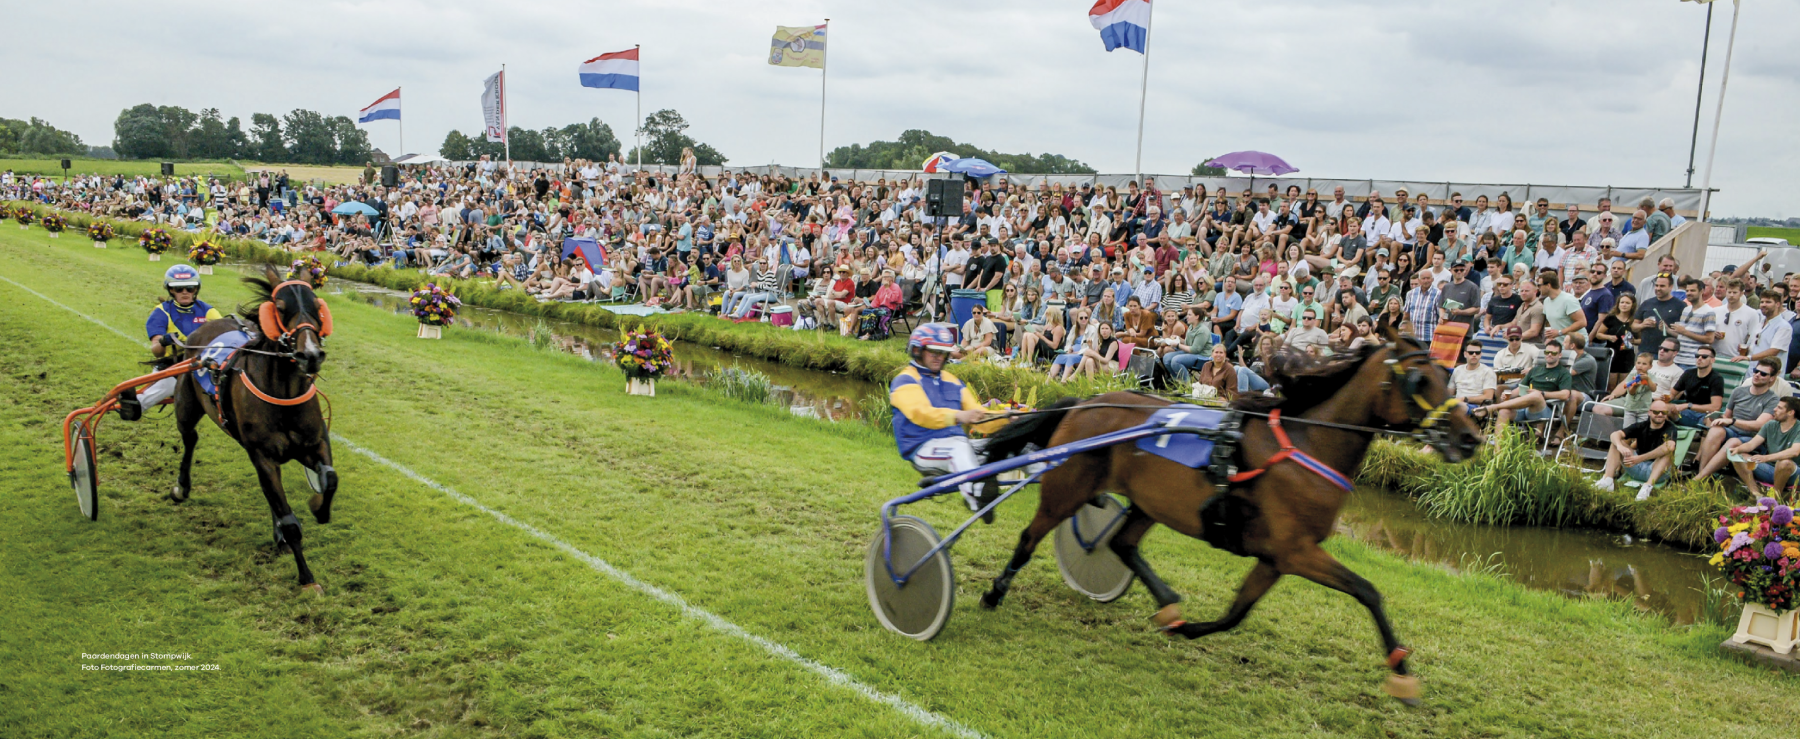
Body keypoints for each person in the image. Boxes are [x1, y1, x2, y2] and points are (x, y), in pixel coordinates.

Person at [888, 324, 1010, 516]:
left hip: (957, 443)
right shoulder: (904, 381)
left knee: (1005, 442)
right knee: (959, 448)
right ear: (918, 350)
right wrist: (958, 416)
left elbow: (978, 415)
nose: (939, 357)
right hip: (922, 448)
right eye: (934, 351)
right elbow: (921, 413)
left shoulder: (952, 380)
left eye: (943, 352)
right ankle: (977, 498)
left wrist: (1007, 420)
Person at [116, 265, 224, 421]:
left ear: (196, 289)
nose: (185, 292)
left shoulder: (208, 311)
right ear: (171, 290)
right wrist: (163, 341)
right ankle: (137, 405)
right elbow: (156, 351)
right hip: (172, 366)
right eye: (179, 289)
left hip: (203, 364)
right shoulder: (161, 312)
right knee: (169, 383)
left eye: (190, 288)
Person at [1695, 357, 1784, 477]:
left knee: (1733, 442)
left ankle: (1699, 478)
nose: (1757, 375)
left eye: (1763, 374)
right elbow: (1727, 416)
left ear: (1771, 378)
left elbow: (1759, 426)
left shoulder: (1773, 399)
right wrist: (1717, 418)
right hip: (1731, 430)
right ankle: (1702, 474)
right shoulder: (1738, 391)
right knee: (1715, 430)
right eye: (1755, 371)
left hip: (1753, 438)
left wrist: (1732, 421)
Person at [1483, 338, 1575, 431]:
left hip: (1543, 409)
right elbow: (1521, 388)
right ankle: (1498, 445)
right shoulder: (1535, 370)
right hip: (1524, 408)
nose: (1549, 355)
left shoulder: (1563, 373)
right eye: (1547, 352)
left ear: (1560, 355)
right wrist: (1509, 394)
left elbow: (1565, 394)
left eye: (1554, 353)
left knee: (1535, 395)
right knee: (1504, 412)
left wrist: (1542, 393)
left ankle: (1495, 407)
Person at [1594, 400, 1678, 501]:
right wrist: (1620, 446)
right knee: (1616, 443)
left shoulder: (1670, 428)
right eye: (1656, 412)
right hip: (1635, 466)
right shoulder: (1642, 426)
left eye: (1663, 412)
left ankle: (1647, 488)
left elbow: (1670, 446)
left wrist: (1640, 458)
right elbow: (1615, 434)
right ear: (1649, 412)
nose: (1660, 415)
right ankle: (1608, 480)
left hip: (1657, 472)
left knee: (1668, 452)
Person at [1718, 396, 1800, 498]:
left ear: (1790, 412)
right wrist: (1737, 449)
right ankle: (1756, 493)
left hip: (1793, 474)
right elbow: (1752, 444)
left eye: (1779, 408)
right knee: (1739, 457)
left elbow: (1795, 452)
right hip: (1769, 470)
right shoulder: (1770, 425)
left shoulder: (1798, 428)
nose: (1774, 409)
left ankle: (1775, 499)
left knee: (1784, 463)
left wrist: (1766, 458)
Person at [1667, 346, 1725, 428]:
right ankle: (1668, 436)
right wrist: (1663, 399)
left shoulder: (1716, 378)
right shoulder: (1688, 373)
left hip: (1704, 416)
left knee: (1711, 420)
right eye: (1697, 356)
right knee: (1661, 409)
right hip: (1684, 414)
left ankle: (1702, 438)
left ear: (1712, 360)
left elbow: (1715, 407)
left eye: (1704, 357)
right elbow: (1672, 394)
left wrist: (1689, 405)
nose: (1699, 358)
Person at [1451, 343, 1498, 413]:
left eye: (1477, 353)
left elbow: (1488, 397)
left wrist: (1465, 399)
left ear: (1480, 354)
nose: (1474, 355)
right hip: (1457, 404)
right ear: (1465, 354)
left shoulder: (1488, 372)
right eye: (1471, 353)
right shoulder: (1457, 370)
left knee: (1457, 407)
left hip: (1477, 407)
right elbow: (1449, 391)